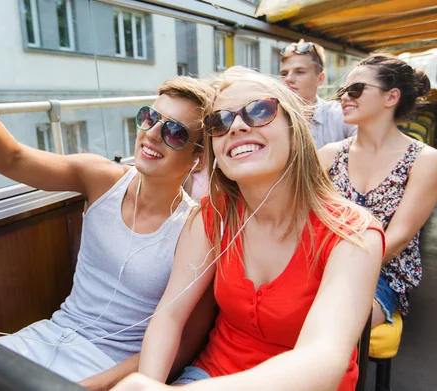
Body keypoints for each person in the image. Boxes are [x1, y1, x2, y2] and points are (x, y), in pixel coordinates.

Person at [0, 30, 217, 384]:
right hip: (48, 336)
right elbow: (9, 159)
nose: (151, 134)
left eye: (175, 133)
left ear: (197, 157)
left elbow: (182, 345)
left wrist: (90, 386)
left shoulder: (196, 228)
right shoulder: (101, 177)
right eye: (149, 118)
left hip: (110, 369)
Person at [111, 66, 385, 391]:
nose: (237, 126)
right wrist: (149, 383)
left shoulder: (353, 234)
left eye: (259, 111)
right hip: (212, 374)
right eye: (219, 122)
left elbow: (322, 360)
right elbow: (169, 316)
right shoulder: (213, 217)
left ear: (294, 130)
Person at [319, 53, 437, 328]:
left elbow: (397, 238)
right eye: (342, 91)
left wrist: (335, 269)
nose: (344, 97)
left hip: (381, 274)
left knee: (332, 323)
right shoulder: (328, 155)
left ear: (391, 97)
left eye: (356, 89)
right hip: (321, 265)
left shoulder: (424, 160)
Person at [279, 39, 357, 148]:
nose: (288, 79)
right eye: (284, 73)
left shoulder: (339, 115)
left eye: (299, 72)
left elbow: (370, 146)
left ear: (320, 79)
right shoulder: (271, 118)